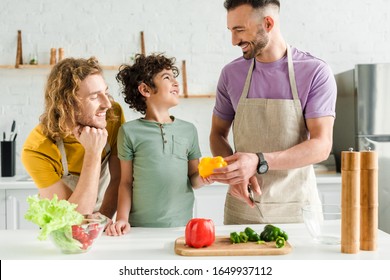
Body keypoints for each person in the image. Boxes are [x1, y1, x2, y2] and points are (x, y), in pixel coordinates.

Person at [209, 0, 337, 224]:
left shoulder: (315, 72)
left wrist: (257, 161)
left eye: (240, 30)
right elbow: (217, 134)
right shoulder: (231, 74)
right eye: (231, 31)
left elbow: (322, 145)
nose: (234, 41)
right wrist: (233, 173)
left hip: (298, 211)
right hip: (243, 209)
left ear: (268, 23)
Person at [106, 53, 210, 235]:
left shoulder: (188, 130)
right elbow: (125, 182)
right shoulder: (129, 131)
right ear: (145, 90)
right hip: (139, 227)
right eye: (167, 77)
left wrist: (204, 178)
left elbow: (193, 177)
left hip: (182, 225)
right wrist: (122, 218)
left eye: (174, 77)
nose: (176, 83)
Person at [21, 57, 125, 220]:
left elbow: (118, 179)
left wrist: (102, 220)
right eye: (94, 97)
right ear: (67, 104)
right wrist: (93, 153)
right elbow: (71, 219)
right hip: (63, 226)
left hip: (101, 218)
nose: (107, 104)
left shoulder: (113, 116)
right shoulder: (38, 148)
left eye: (105, 92)